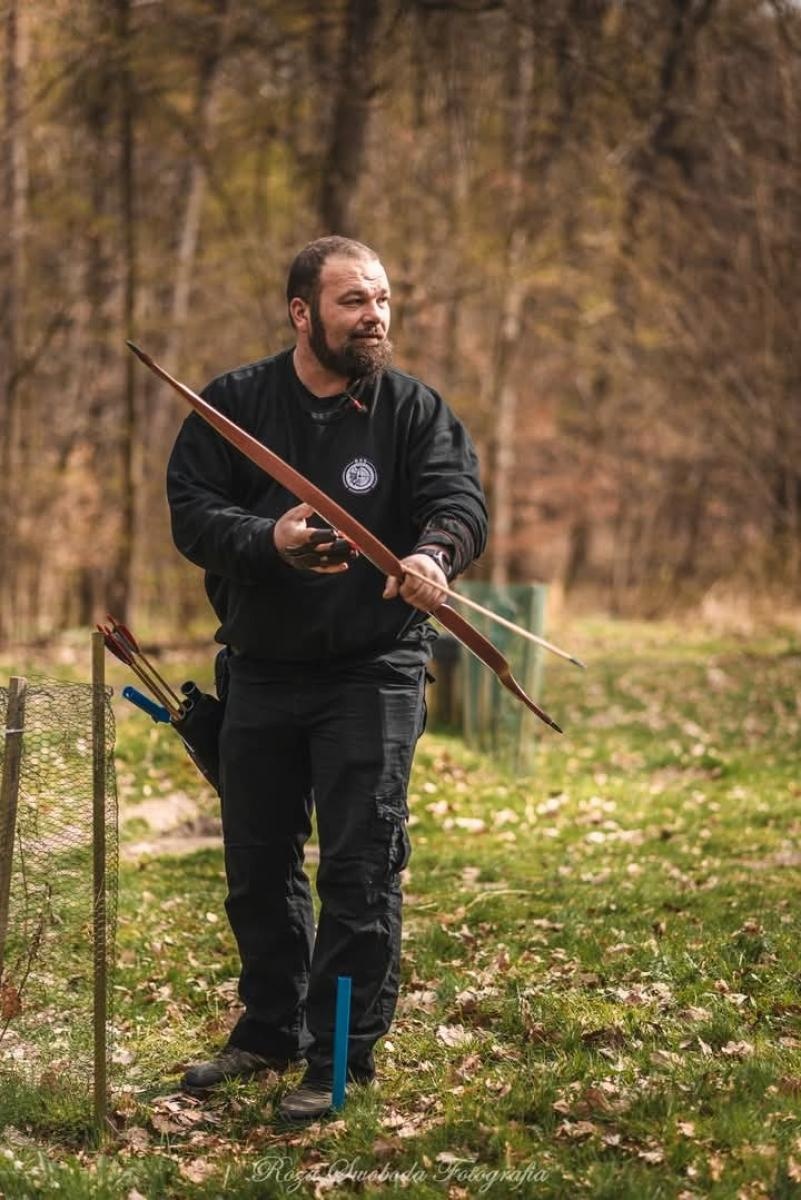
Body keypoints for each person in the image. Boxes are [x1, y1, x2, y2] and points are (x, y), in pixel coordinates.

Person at [166, 235, 488, 1122]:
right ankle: (271, 1031)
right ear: (302, 312)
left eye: (382, 298)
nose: (374, 315)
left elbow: (457, 501)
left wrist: (433, 552)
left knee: (358, 866)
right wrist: (266, 542)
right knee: (257, 864)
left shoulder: (413, 411)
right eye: (353, 300)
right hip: (261, 669)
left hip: (372, 671)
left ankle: (341, 1058)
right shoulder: (232, 405)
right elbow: (193, 515)